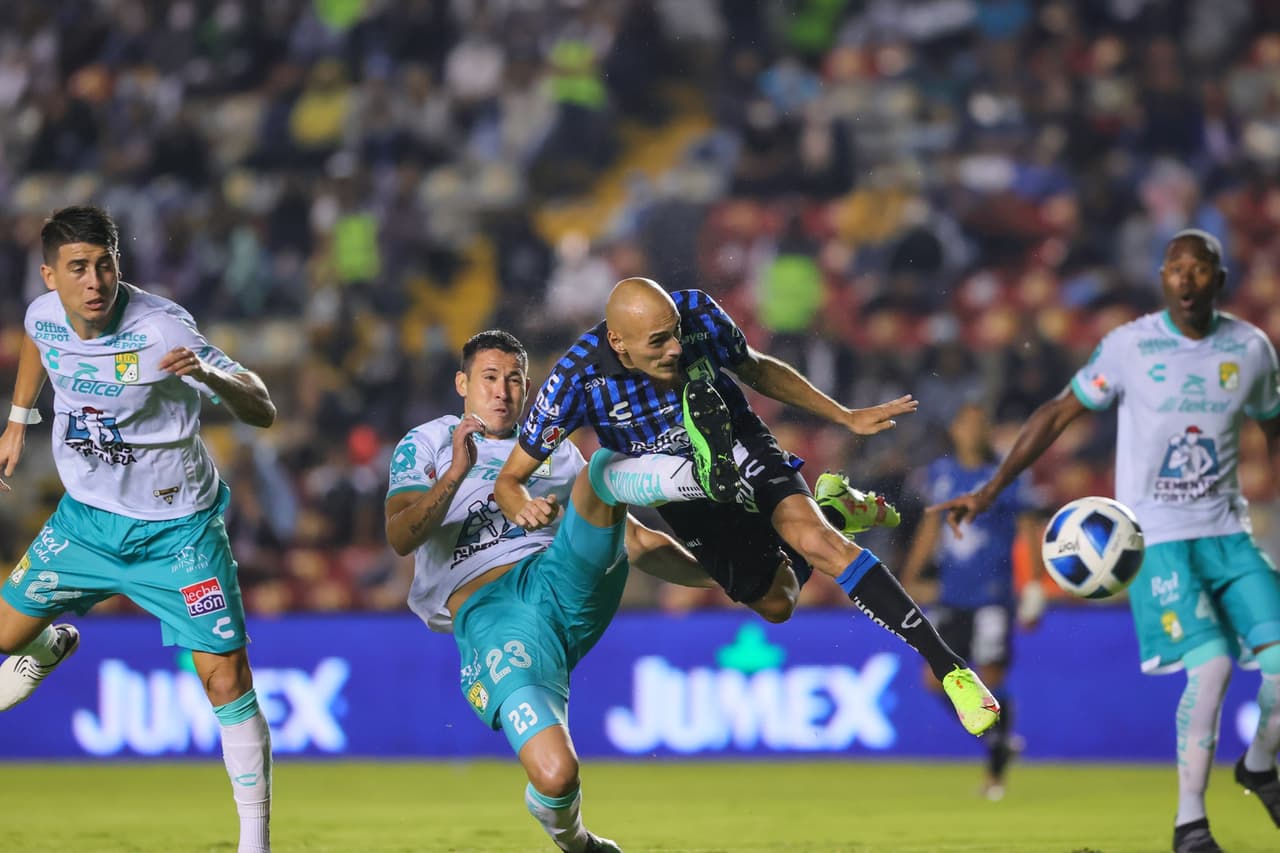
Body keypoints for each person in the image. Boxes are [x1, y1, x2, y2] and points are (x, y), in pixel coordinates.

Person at [495, 277, 1001, 737]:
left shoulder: (696, 312)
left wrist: (843, 416)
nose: (675, 346)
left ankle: (951, 667)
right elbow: (510, 479)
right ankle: (832, 509)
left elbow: (755, 368)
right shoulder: (575, 380)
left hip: (736, 440)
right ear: (618, 343)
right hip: (680, 491)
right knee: (777, 604)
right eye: (657, 342)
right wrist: (521, 506)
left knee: (815, 539)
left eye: (674, 333)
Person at [931, 230, 1280, 853]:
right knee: (1216, 667)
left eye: (1200, 269)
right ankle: (1190, 825)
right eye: (1176, 268)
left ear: (1219, 280)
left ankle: (1258, 764)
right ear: (1162, 278)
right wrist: (991, 488)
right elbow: (1060, 412)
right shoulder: (1130, 346)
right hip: (1161, 539)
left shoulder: (1251, 351)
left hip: (1230, 532)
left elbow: (1274, 424)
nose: (1187, 278)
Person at [0, 206, 275, 853]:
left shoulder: (160, 328)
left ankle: (255, 842)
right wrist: (18, 419)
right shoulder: (43, 314)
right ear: (50, 275)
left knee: (226, 677)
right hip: (87, 522)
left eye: (105, 264)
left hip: (178, 530)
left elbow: (261, 406)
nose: (95, 280)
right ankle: (43, 649)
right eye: (78, 268)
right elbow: (39, 341)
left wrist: (209, 375)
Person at [386, 329, 710, 853]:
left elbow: (634, 540)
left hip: (560, 579)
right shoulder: (427, 443)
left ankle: (702, 474)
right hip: (494, 617)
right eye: (489, 378)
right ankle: (576, 841)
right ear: (462, 383)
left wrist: (728, 581)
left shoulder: (551, 448)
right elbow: (400, 536)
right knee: (557, 774)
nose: (502, 392)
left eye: (514, 380)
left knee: (605, 467)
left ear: (528, 386)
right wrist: (455, 474)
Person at [900, 401, 1048, 800]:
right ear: (954, 430)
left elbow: (1029, 527)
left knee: (992, 678)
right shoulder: (942, 474)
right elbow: (931, 527)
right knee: (933, 680)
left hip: (993, 596)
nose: (973, 431)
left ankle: (996, 772)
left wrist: (1033, 586)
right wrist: (910, 576)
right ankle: (998, 738)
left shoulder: (1007, 474)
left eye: (980, 423)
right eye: (966, 423)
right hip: (952, 595)